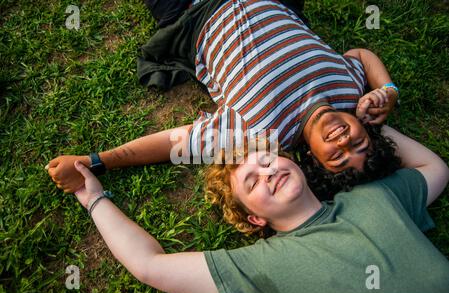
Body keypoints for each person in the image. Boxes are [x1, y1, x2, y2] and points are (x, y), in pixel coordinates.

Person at [46, 0, 401, 197]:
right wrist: (387, 90)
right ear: (367, 130)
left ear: (312, 159)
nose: (345, 143)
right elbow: (362, 54)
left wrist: (95, 161)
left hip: (192, 13)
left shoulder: (262, 136)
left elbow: (178, 143)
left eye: (338, 158)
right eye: (360, 145)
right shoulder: (352, 91)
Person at [71, 125, 449, 293]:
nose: (267, 174)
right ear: (255, 218)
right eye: (251, 183)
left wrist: (370, 123)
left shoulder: (374, 196)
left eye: (267, 162)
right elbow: (149, 265)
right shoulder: (258, 265)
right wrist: (95, 200)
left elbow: (435, 170)